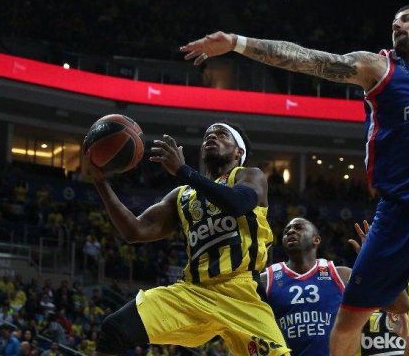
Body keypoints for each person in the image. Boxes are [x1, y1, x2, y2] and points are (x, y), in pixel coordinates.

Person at [182, 5, 409, 355]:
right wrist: (238, 42)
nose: (397, 24)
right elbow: (308, 59)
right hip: (396, 213)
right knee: (345, 328)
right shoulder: (380, 68)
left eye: (407, 19)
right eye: (393, 22)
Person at [87, 122, 288, 355]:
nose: (211, 137)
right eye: (207, 136)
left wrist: (183, 170)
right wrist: (101, 182)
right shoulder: (183, 195)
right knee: (114, 329)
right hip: (193, 292)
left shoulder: (249, 175)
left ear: (238, 152)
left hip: (241, 293)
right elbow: (135, 231)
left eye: (222, 135)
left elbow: (238, 203)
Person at [261, 218, 409, 355]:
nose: (291, 231)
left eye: (299, 227)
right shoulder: (266, 279)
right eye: (287, 230)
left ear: (316, 239)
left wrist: (374, 260)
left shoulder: (341, 275)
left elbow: (400, 305)